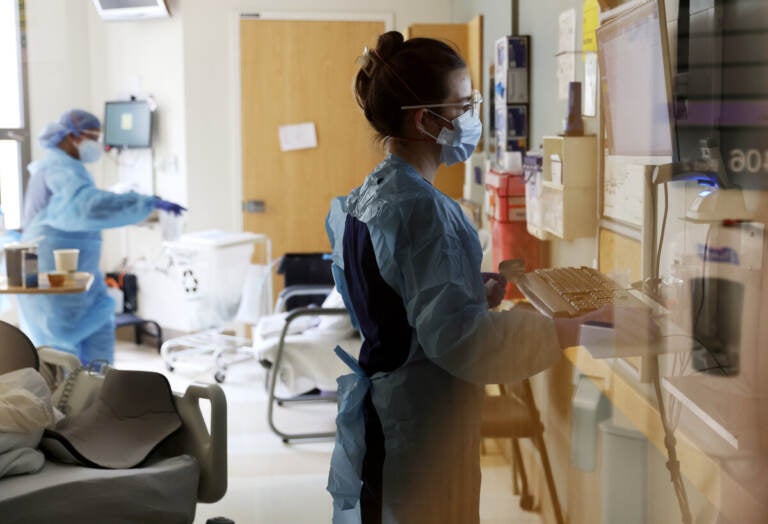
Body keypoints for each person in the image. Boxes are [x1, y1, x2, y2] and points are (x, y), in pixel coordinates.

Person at [324, 32, 587, 523]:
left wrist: (469, 291)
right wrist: (571, 329)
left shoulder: (371, 195)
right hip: (423, 428)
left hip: (394, 415)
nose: (472, 117)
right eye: (464, 105)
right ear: (425, 120)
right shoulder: (424, 211)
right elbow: (466, 345)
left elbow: (394, 301)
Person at [17, 109, 185, 365]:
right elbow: (85, 208)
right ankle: (68, 403)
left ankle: (100, 400)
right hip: (52, 280)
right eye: (92, 137)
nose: (97, 145)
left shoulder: (71, 168)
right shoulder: (57, 168)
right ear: (72, 137)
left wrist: (139, 204)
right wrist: (142, 203)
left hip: (80, 277)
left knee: (98, 337)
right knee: (60, 356)